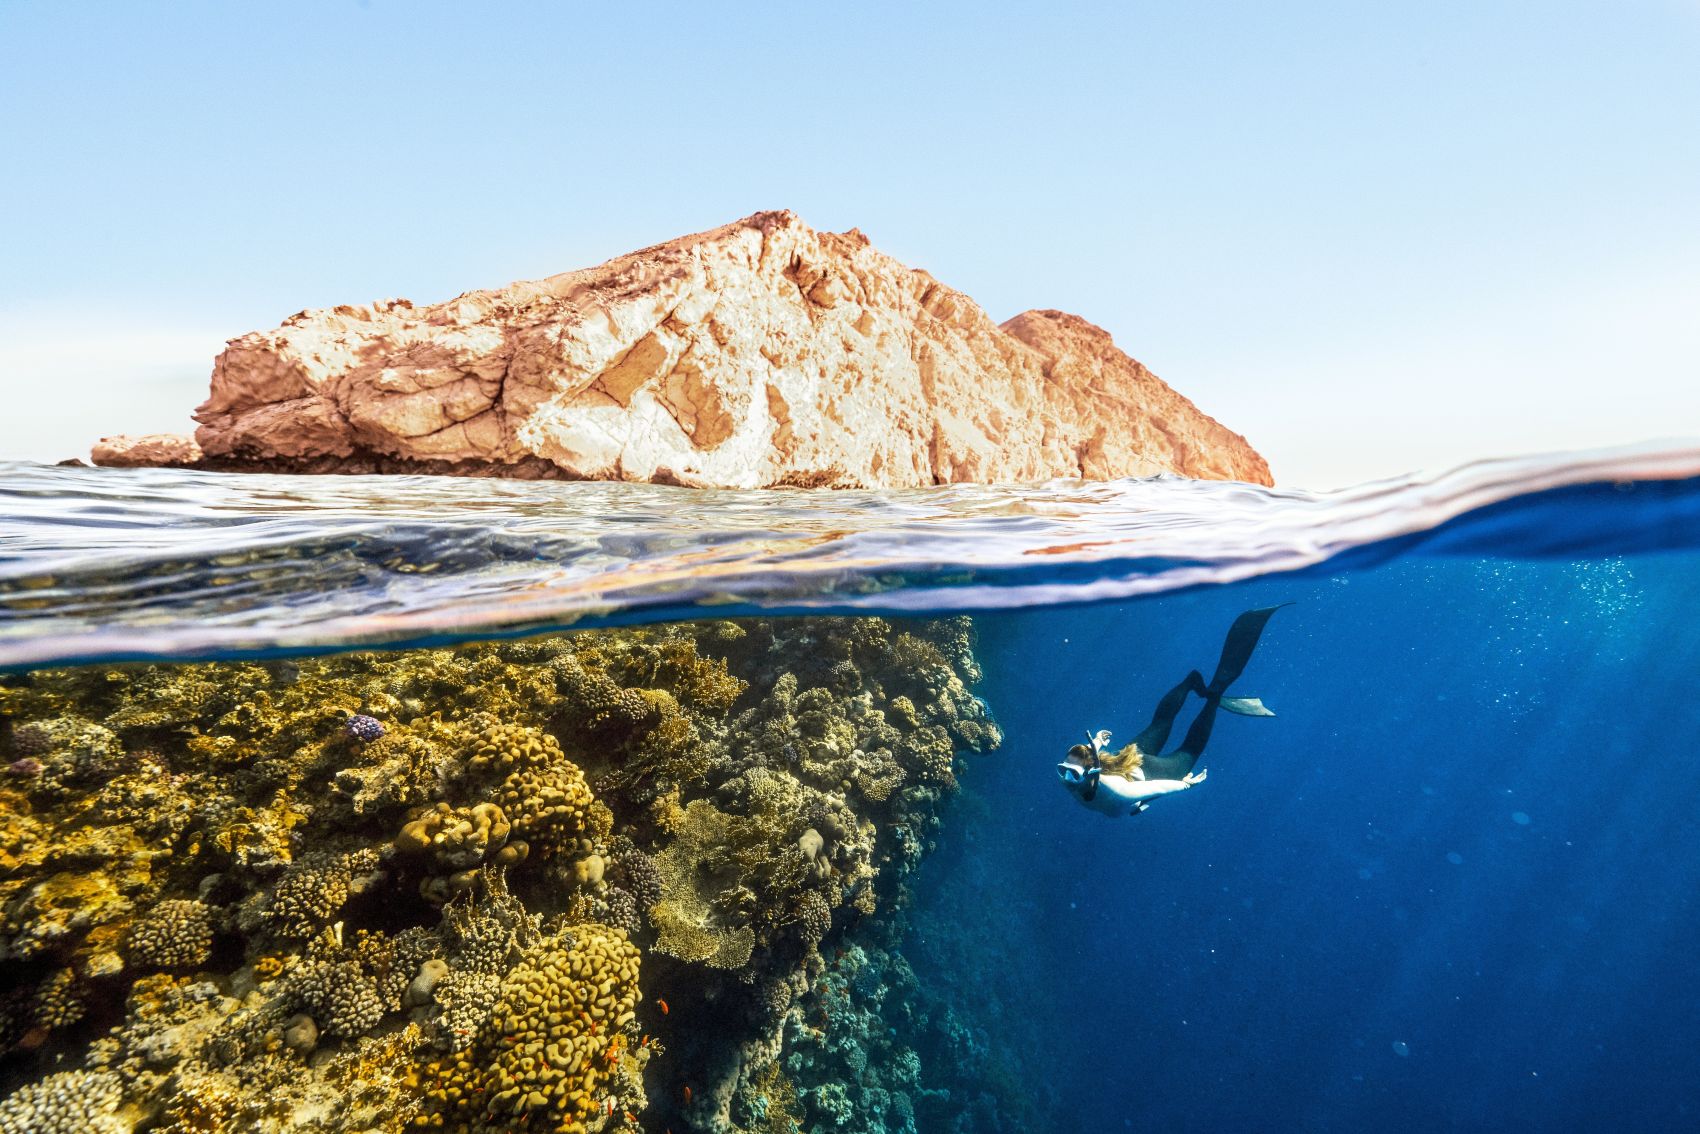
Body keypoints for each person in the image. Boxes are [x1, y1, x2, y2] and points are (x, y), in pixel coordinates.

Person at [1056, 605, 1288, 817]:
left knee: (1190, 750)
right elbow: (1086, 758)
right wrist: (1097, 742)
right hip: (1124, 759)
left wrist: (1185, 785)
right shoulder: (1078, 775)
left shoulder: (1118, 792)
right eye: (1062, 770)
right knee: (1159, 723)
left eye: (1072, 774)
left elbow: (1158, 787)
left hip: (1148, 773)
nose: (1066, 778)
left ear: (1090, 772)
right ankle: (1190, 683)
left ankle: (1214, 696)